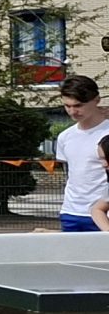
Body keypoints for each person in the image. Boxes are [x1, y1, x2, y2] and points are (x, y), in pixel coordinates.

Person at [55, 75, 108, 232]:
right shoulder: (65, 136)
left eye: (78, 105)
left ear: (96, 100)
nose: (72, 111)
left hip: (104, 213)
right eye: (67, 106)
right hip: (71, 212)